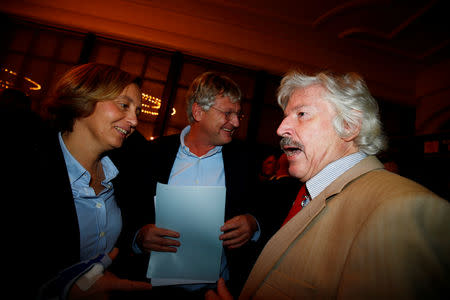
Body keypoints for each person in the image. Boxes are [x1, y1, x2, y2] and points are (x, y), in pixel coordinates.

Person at [206, 70, 450, 299]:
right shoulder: (308, 192)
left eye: (301, 114)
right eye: (285, 117)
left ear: (349, 126)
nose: (281, 129)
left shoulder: (403, 209)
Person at [3, 63, 152, 299]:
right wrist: (60, 291)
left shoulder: (124, 172)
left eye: (138, 111)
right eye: (124, 105)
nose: (134, 120)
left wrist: (138, 239)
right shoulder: (23, 170)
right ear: (84, 99)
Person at [128, 71, 260, 299]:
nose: (236, 122)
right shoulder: (152, 154)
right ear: (198, 111)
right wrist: (138, 235)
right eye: (228, 113)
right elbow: (128, 210)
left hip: (219, 291)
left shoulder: (244, 160)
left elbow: (264, 208)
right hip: (152, 290)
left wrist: (253, 224)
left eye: (239, 114)